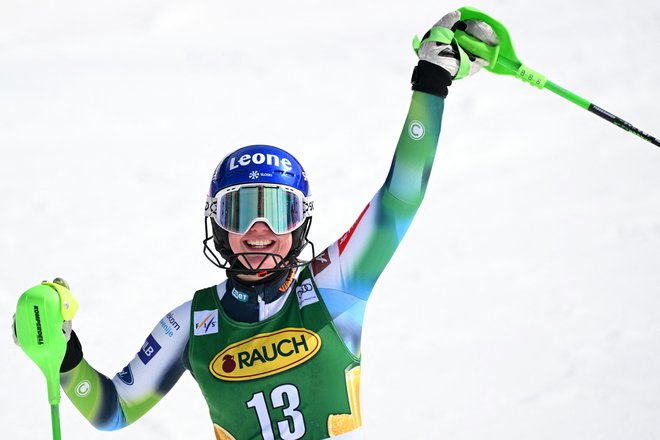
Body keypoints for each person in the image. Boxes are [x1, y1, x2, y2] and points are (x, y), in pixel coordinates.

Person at [14, 10, 497, 440]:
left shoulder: (334, 283)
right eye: (241, 212)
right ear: (218, 225)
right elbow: (114, 410)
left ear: (301, 221)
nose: (260, 230)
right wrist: (65, 359)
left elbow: (400, 197)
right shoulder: (189, 324)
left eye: (279, 212)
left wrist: (431, 81)